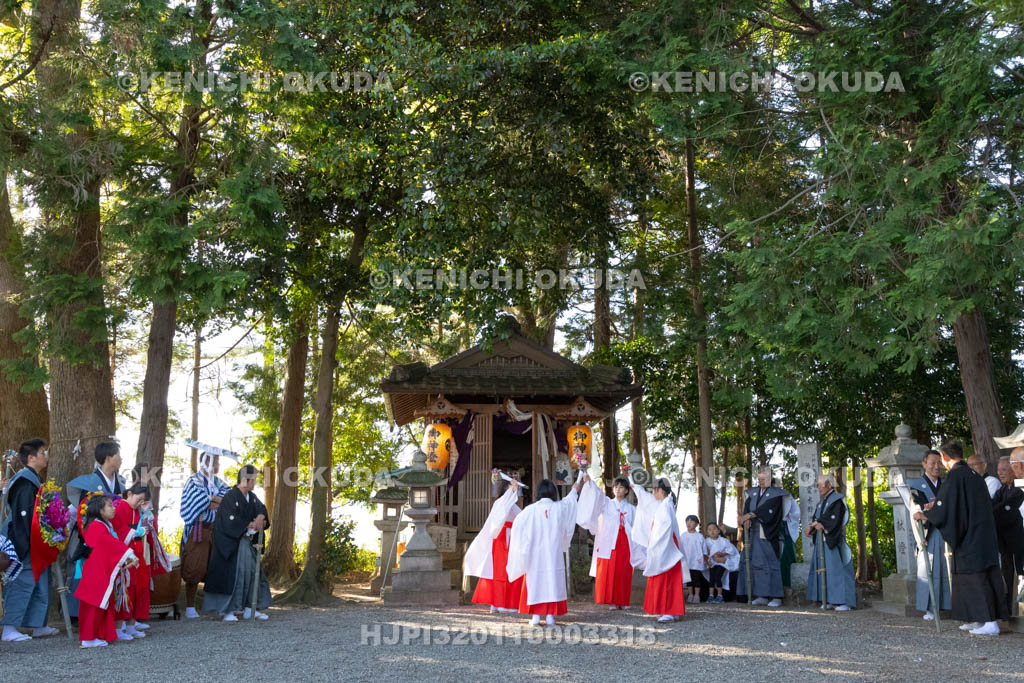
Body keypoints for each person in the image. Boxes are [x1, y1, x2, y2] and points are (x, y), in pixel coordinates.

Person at [915, 441, 1008, 635]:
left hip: (971, 537)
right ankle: (977, 619)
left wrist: (927, 515)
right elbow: (956, 505)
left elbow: (946, 508)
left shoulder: (956, 476)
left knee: (976, 577)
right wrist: (938, 508)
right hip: (982, 534)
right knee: (979, 576)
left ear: (945, 457)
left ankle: (990, 622)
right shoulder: (974, 475)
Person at [507, 471, 585, 626]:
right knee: (552, 581)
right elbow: (570, 501)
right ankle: (550, 615)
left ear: (539, 493)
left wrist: (522, 548)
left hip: (534, 555)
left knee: (535, 581)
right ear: (553, 493)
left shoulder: (529, 511)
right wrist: (576, 487)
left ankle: (535, 616)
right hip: (553, 553)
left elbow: (517, 528)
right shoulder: (559, 508)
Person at [0, 439, 59, 642]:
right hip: (23, 539)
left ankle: (37, 625)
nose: (46, 455)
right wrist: (24, 544)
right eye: (43, 452)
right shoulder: (24, 481)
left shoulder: (32, 479)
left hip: (36, 540)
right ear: (31, 457)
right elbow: (22, 515)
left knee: (40, 582)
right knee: (21, 581)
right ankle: (9, 628)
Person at [65, 441, 126, 620]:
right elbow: (79, 512)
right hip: (90, 538)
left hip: (111, 537)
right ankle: (79, 616)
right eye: (118, 455)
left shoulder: (120, 483)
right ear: (108, 458)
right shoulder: (89, 483)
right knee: (84, 574)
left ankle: (105, 616)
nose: (121, 459)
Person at [203, 465, 271, 621]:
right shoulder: (230, 497)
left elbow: (261, 508)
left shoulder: (251, 497)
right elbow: (228, 522)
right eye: (253, 480)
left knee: (253, 572)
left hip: (246, 543)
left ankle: (250, 608)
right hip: (232, 545)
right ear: (245, 480)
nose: (255, 483)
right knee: (238, 574)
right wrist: (248, 525)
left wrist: (260, 516)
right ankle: (228, 610)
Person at [75, 494, 139, 648]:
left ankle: (97, 634)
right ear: (100, 510)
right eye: (109, 505)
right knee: (94, 603)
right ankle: (88, 638)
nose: (113, 508)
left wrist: (127, 556)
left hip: (98, 569)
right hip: (95, 570)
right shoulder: (97, 526)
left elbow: (112, 544)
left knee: (101, 603)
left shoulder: (102, 525)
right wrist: (129, 554)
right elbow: (110, 544)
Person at [577, 476, 641, 610]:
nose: (618, 490)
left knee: (624, 570)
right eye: (616, 487)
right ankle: (613, 600)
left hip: (626, 541)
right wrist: (590, 483)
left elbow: (637, 526)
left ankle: (623, 601)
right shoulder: (607, 504)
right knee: (612, 569)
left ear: (627, 491)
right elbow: (598, 495)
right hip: (610, 541)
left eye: (621, 487)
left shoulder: (631, 509)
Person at [179, 450, 231, 619]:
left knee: (216, 567)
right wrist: (211, 500)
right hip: (198, 528)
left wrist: (213, 500)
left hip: (215, 530)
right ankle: (190, 606)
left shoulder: (219, 482)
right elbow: (200, 501)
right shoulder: (193, 480)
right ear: (207, 462)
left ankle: (213, 605)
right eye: (216, 462)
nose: (218, 465)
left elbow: (228, 499)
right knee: (194, 565)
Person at [631, 476, 688, 622]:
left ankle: (668, 610)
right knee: (670, 580)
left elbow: (663, 530)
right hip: (668, 546)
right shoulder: (666, 504)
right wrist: (632, 481)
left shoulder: (665, 507)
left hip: (665, 547)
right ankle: (673, 610)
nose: (652, 493)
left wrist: (654, 548)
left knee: (666, 580)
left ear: (660, 490)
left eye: (653, 490)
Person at [464, 478, 523, 613]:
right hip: (501, 540)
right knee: (500, 571)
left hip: (510, 539)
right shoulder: (501, 503)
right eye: (511, 487)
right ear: (506, 488)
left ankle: (503, 603)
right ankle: (499, 603)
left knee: (509, 570)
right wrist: (512, 491)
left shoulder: (510, 504)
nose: (515, 489)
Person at [907, 449, 951, 620]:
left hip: (946, 532)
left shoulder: (946, 483)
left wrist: (933, 507)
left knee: (947, 569)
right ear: (924, 463)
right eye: (932, 462)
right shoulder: (916, 485)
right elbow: (917, 508)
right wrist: (928, 508)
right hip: (930, 533)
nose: (936, 466)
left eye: (939, 462)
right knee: (930, 569)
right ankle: (930, 607)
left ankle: (948, 605)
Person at [805, 474, 857, 611]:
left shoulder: (837, 500)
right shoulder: (821, 502)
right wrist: (811, 527)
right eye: (817, 485)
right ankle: (827, 599)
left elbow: (833, 519)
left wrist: (820, 523)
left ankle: (842, 602)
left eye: (819, 485)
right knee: (823, 570)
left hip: (832, 540)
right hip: (821, 541)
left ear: (828, 485)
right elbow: (817, 519)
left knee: (836, 570)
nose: (818, 488)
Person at [736, 467, 786, 607]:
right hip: (753, 532)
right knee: (756, 564)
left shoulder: (776, 493)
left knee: (771, 563)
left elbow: (768, 510)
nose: (761, 481)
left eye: (764, 479)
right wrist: (747, 518)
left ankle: (776, 596)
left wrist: (751, 515)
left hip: (767, 531)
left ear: (770, 479)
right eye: (759, 479)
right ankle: (761, 595)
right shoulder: (753, 492)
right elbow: (747, 508)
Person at [111, 483, 150, 640]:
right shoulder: (120, 507)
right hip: (126, 552)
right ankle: (120, 627)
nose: (140, 503)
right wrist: (135, 532)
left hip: (135, 551)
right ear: (129, 493)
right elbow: (118, 530)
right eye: (138, 499)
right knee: (125, 589)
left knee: (135, 589)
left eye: (143, 501)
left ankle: (131, 624)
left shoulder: (135, 510)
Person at [992, 457, 1024, 614]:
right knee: (1006, 572)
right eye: (998, 471)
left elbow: (1007, 510)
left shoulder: (1019, 489)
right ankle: (1009, 609)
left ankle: (1018, 609)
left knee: (1019, 573)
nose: (1000, 474)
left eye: (1003, 470)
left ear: (1014, 470)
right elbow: (993, 506)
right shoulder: (1003, 490)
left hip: (1018, 540)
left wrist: (996, 509)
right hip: (1004, 542)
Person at [702, 522, 738, 603]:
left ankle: (719, 595)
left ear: (718, 531)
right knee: (712, 579)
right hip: (712, 563)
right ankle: (711, 596)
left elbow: (731, 550)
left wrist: (722, 554)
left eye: (714, 529)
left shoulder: (723, 541)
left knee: (718, 577)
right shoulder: (706, 541)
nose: (712, 531)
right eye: (709, 530)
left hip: (721, 563)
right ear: (707, 532)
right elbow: (704, 553)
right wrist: (707, 561)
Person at [679, 515, 706, 603]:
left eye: (691, 521)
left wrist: (705, 557)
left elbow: (704, 548)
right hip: (686, 560)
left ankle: (697, 595)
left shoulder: (699, 536)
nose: (689, 523)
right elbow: (679, 547)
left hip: (697, 560)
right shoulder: (683, 535)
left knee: (696, 578)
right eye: (687, 521)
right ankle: (690, 594)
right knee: (689, 579)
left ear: (696, 523)